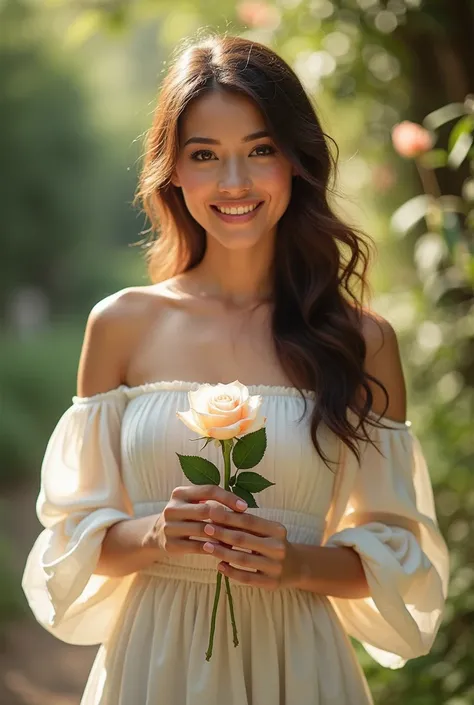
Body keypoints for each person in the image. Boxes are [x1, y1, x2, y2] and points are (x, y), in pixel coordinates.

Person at [22, 33, 449, 705]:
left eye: (259, 150)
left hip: (300, 665)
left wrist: (296, 560)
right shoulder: (120, 324)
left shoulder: (359, 340)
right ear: (173, 172)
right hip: (153, 661)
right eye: (204, 155)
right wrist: (156, 532)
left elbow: (400, 555)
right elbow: (71, 543)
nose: (234, 183)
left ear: (296, 162)